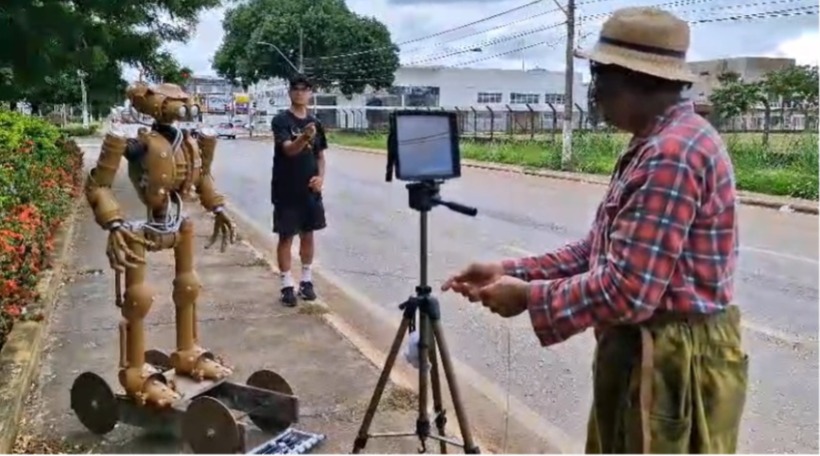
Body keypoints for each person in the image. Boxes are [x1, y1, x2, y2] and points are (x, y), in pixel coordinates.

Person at [442, 7, 747, 454]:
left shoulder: (672, 153)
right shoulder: (654, 142)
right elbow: (598, 251)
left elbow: (629, 290)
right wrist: (513, 270)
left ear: (635, 78)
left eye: (600, 75)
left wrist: (528, 298)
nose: (595, 90)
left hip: (671, 360)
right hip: (650, 349)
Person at [270, 74, 328, 307]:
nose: (300, 93)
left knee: (308, 234)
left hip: (310, 191)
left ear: (310, 93)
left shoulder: (316, 123)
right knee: (286, 236)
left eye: (304, 89)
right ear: (290, 92)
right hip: (286, 190)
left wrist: (320, 178)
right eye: (295, 89)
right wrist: (304, 136)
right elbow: (289, 151)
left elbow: (321, 156)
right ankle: (286, 283)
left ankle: (306, 280)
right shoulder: (281, 121)